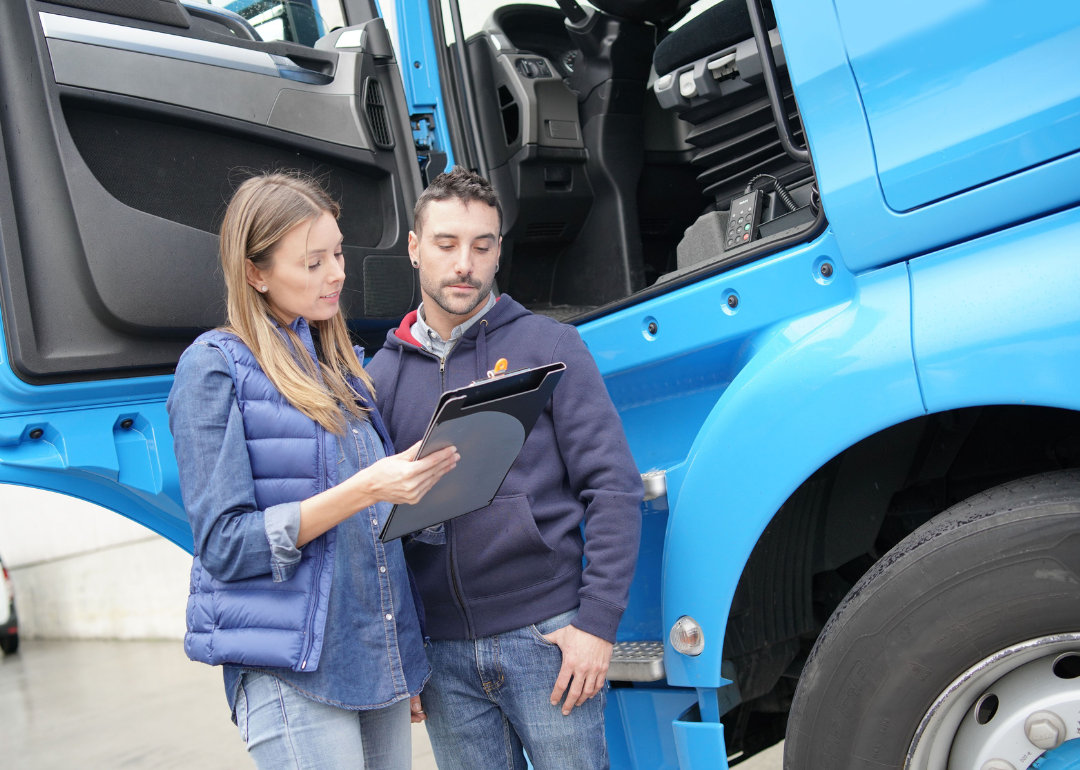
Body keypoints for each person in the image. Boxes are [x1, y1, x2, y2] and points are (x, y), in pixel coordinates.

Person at [167, 172, 459, 769]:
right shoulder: (214, 368)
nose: (336, 274)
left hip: (372, 661)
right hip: (293, 672)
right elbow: (225, 545)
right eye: (312, 262)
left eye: (338, 253)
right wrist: (363, 489)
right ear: (256, 272)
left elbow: (373, 529)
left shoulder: (340, 369)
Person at [366, 167, 644, 770]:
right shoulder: (379, 380)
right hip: (443, 662)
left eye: (482, 246)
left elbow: (614, 487)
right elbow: (374, 534)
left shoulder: (548, 347)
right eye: (446, 244)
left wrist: (596, 626)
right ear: (415, 249)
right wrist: (404, 656)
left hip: (547, 638)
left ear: (498, 254)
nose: (464, 263)